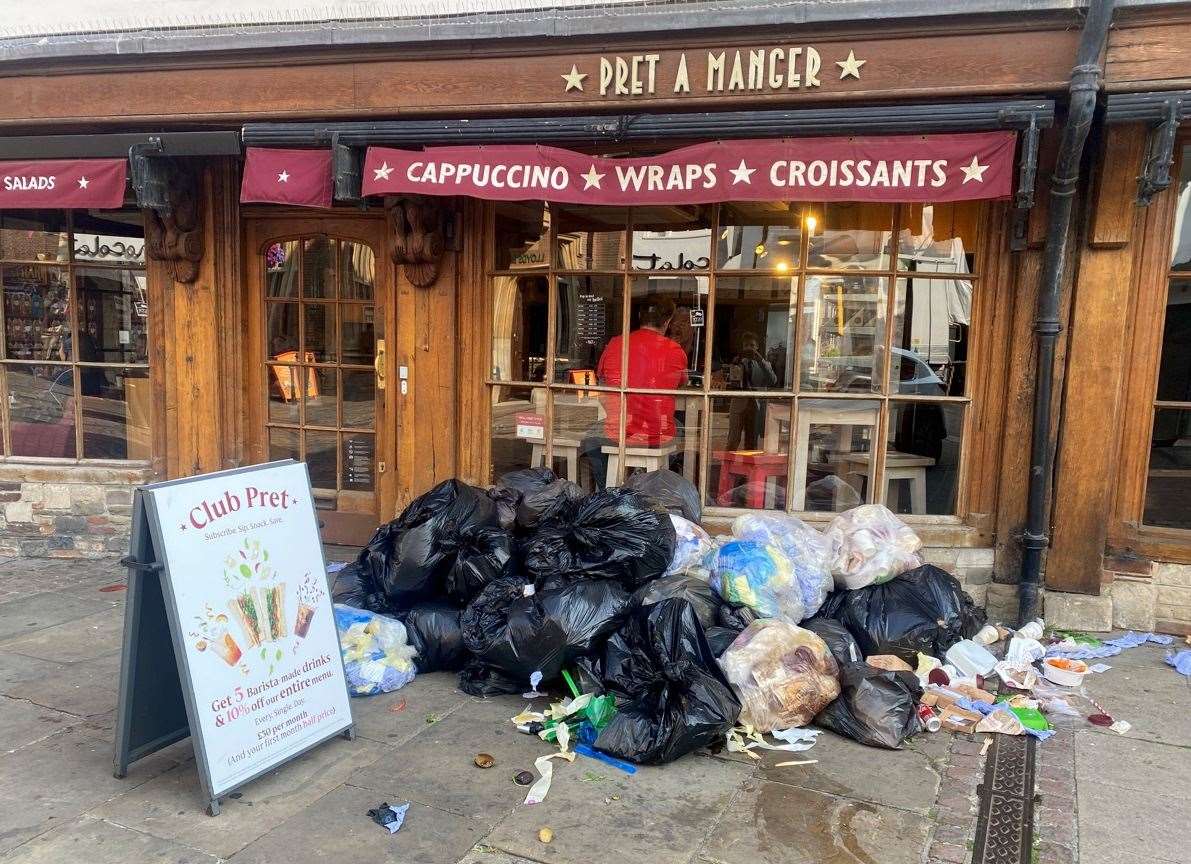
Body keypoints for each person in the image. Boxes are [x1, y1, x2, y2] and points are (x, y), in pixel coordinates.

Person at [581, 297, 687, 488]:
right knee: (680, 428)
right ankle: (649, 483)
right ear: (667, 321)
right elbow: (680, 383)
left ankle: (609, 490)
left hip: (620, 431)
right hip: (657, 434)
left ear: (639, 316)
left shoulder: (615, 344)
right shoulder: (675, 350)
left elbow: (602, 382)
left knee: (591, 437)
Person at [725, 332, 777, 450]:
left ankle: (748, 467)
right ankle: (728, 465)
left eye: (752, 346)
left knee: (752, 441)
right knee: (733, 439)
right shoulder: (737, 362)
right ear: (743, 347)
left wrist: (759, 359)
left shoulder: (764, 364)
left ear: (757, 347)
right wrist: (736, 362)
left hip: (756, 406)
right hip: (739, 405)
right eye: (746, 346)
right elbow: (731, 383)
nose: (749, 349)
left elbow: (773, 380)